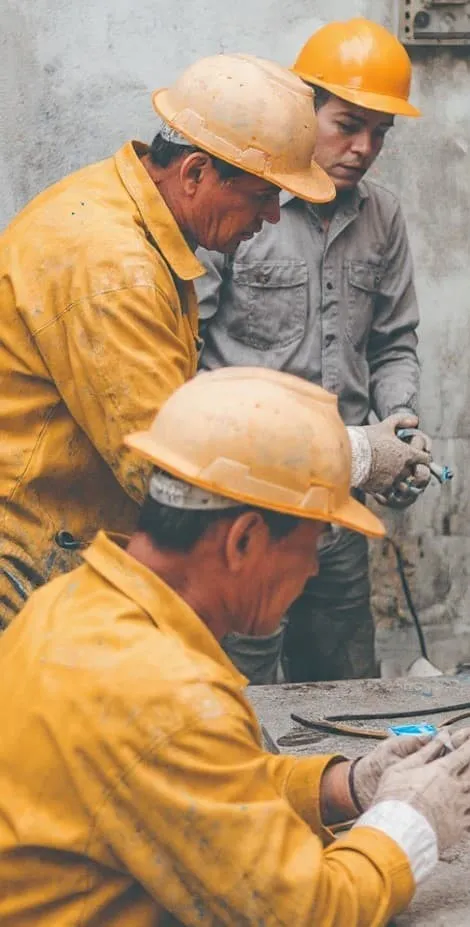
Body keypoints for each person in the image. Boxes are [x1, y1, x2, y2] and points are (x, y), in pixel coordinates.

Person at [0, 366, 467, 926]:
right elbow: (308, 913)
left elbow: (203, 788)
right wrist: (411, 821)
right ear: (244, 538)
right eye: (314, 542)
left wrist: (348, 784)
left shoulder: (75, 605)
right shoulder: (161, 692)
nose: (315, 566)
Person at [0, 52, 336, 624]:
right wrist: (344, 456)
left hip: (62, 544)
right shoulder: (113, 267)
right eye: (262, 196)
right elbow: (164, 465)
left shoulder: (121, 216)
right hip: (32, 563)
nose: (273, 218)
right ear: (196, 173)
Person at [195, 18, 433, 684]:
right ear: (306, 109)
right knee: (237, 694)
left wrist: (399, 421)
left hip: (338, 502)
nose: (363, 148)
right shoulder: (243, 203)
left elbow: (393, 343)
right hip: (240, 511)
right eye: (348, 125)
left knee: (344, 683)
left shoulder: (381, 219)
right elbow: (186, 346)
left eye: (380, 134)